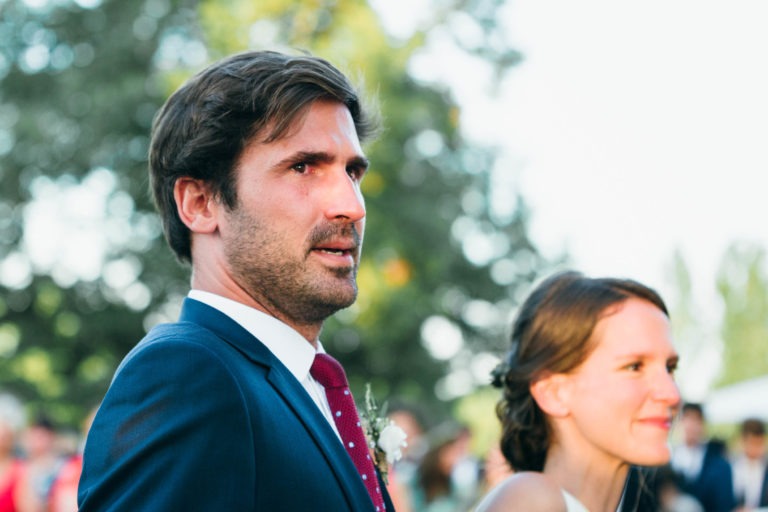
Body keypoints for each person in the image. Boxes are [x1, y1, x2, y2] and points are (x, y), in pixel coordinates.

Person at [78, 50, 395, 511]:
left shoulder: (300, 385)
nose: (351, 204)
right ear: (201, 203)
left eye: (352, 171)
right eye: (303, 166)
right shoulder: (186, 376)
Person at [476, 271, 681, 512]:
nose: (672, 394)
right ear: (553, 392)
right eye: (634, 366)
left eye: (670, 368)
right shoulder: (532, 500)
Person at [671, 403, 735, 512]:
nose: (691, 426)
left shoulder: (719, 465)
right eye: (687, 419)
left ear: (702, 425)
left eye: (696, 420)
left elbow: (724, 503)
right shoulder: (668, 459)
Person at [731, 417, 768, 510]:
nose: (756, 449)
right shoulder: (729, 468)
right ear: (743, 441)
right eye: (752, 443)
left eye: (759, 443)